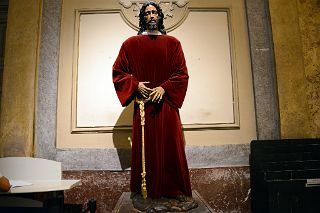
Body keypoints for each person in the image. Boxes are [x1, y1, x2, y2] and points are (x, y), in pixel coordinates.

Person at [113, 1, 194, 204]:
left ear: (159, 16)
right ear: (143, 17)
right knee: (145, 148)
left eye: (154, 12)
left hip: (167, 105)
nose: (151, 15)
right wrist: (135, 84)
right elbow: (119, 73)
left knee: (171, 147)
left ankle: (174, 190)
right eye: (147, 12)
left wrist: (164, 87)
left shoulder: (173, 43)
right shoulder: (130, 44)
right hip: (143, 107)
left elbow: (182, 74)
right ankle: (145, 192)